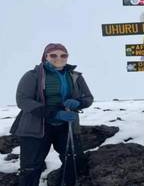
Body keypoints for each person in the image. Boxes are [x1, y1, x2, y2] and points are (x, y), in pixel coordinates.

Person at [10, 43, 94, 186]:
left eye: (63, 55)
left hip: (66, 126)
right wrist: (55, 114)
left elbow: (88, 98)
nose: (58, 58)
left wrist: (78, 103)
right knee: (30, 168)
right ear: (45, 57)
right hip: (35, 127)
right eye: (53, 55)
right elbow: (23, 100)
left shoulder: (75, 76)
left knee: (72, 161)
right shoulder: (33, 75)